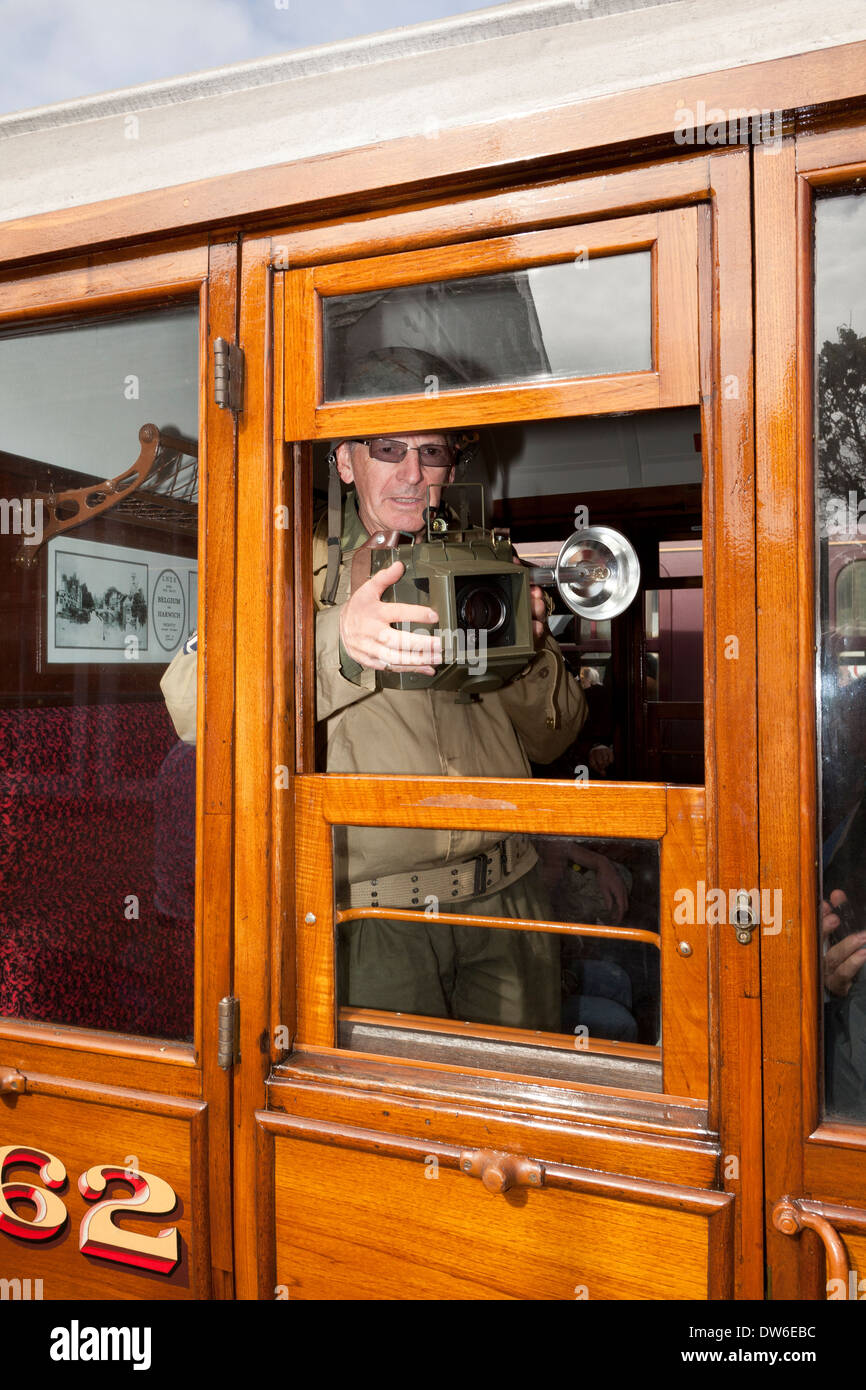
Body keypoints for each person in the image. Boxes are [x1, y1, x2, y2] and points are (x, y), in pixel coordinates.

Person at [162, 428, 588, 1032]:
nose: (412, 473)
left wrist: (529, 646)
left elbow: (556, 737)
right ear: (344, 461)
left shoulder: (492, 565)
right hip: (379, 920)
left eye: (432, 452)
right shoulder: (283, 567)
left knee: (509, 1115)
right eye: (388, 450)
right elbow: (189, 706)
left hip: (510, 904)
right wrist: (336, 638)